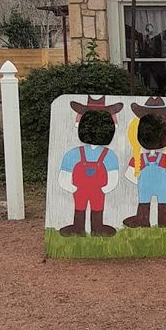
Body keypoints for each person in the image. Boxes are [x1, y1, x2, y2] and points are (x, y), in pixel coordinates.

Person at [58, 96, 123, 236]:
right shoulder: (73, 154)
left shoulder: (109, 155)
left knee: (97, 206)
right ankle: (78, 228)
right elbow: (66, 172)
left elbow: (113, 174)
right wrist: (69, 185)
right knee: (79, 207)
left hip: (98, 190)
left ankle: (97, 228)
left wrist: (108, 186)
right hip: (79, 189)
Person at [123, 97, 166, 228]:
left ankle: (164, 218)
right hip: (149, 185)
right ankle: (142, 219)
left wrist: (139, 179)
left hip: (158, 186)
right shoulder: (140, 158)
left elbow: (130, 174)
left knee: (163, 201)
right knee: (144, 201)